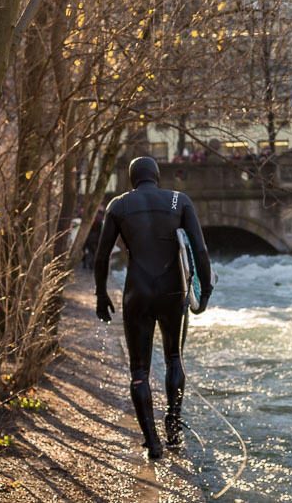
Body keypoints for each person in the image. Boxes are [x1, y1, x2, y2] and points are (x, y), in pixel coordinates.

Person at [93, 157, 212, 459]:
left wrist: (100, 294)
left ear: (133, 178)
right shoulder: (179, 200)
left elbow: (101, 256)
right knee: (174, 358)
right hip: (174, 291)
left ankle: (153, 442)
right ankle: (173, 429)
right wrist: (205, 290)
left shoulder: (118, 205)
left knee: (139, 370)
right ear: (157, 176)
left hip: (137, 292)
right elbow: (199, 250)